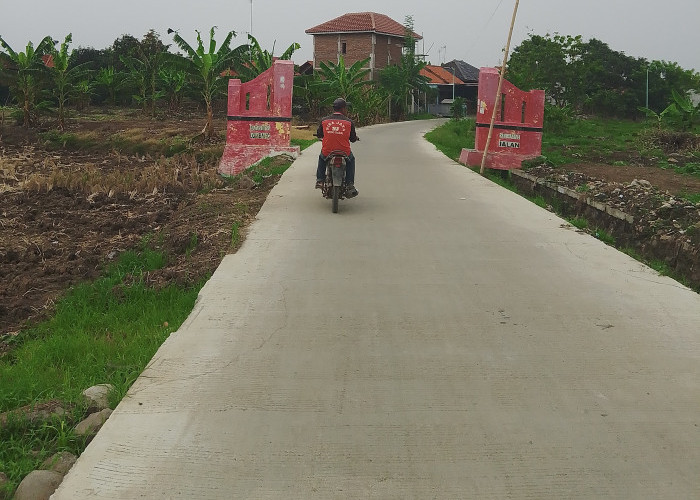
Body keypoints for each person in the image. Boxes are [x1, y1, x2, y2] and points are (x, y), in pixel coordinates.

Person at [316, 97, 359, 198]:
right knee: (351, 160)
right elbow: (352, 138)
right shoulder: (349, 122)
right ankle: (349, 184)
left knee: (322, 158)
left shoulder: (324, 121)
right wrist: (355, 138)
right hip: (344, 152)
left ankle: (320, 180)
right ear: (343, 109)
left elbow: (319, 134)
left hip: (328, 151)